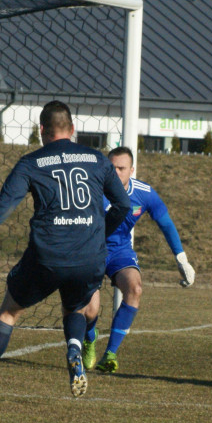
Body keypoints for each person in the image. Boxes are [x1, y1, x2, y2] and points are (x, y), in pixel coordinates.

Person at [0, 101, 131, 401]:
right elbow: (123, 205)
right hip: (89, 257)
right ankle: (74, 350)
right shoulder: (97, 159)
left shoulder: (31, 162)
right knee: (75, 307)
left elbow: (3, 206)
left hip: (48, 255)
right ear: (72, 129)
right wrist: (99, 235)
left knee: (10, 310)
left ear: (41, 130)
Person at [81, 146, 195, 374]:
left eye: (121, 168)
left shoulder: (144, 193)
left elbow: (166, 224)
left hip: (120, 251)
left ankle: (110, 354)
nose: (115, 172)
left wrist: (181, 259)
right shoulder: (92, 190)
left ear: (131, 170)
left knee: (135, 288)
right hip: (91, 250)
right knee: (91, 310)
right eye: (111, 167)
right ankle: (89, 337)